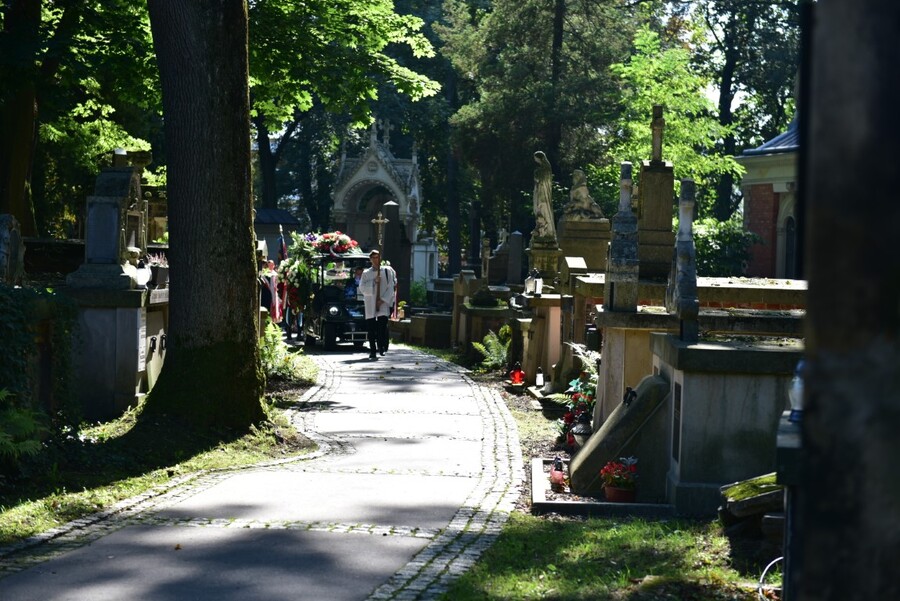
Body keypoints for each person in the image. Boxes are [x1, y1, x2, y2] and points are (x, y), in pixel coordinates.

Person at [360, 249, 396, 359]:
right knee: (371, 330)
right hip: (371, 304)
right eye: (374, 258)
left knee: (381, 328)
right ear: (370, 259)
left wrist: (382, 300)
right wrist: (374, 282)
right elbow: (362, 288)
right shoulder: (366, 273)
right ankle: (372, 350)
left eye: (378, 257)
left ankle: (381, 347)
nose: (376, 260)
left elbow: (391, 287)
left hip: (383, 304)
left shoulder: (387, 271)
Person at [532, 150, 557, 241]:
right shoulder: (547, 169)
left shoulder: (542, 170)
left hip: (542, 194)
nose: (536, 161)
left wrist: (536, 174)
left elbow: (538, 180)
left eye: (536, 159)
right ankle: (542, 229)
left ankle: (546, 231)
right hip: (541, 193)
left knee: (542, 209)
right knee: (540, 210)